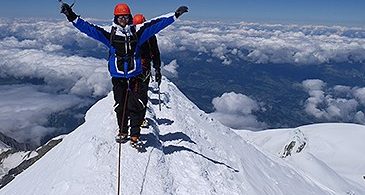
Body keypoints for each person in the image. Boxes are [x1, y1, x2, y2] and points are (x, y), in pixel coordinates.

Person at [60, 3, 188, 147]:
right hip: (118, 77)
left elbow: (156, 24)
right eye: (120, 17)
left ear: (129, 17)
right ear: (116, 18)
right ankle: (122, 131)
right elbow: (89, 29)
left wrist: (174, 15)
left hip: (135, 75)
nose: (123, 19)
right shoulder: (110, 33)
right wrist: (71, 16)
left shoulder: (137, 31)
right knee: (120, 105)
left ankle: (135, 135)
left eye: (125, 17)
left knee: (136, 105)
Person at [133, 13, 161, 128]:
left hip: (132, 69)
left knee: (133, 93)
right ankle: (140, 118)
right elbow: (155, 53)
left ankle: (133, 117)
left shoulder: (131, 35)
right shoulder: (150, 36)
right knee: (142, 94)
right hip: (144, 69)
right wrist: (157, 68)